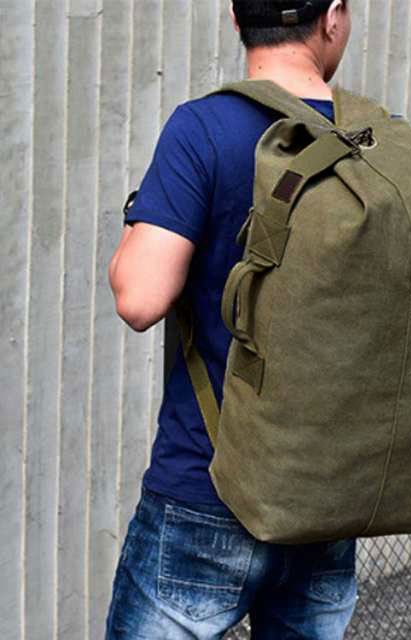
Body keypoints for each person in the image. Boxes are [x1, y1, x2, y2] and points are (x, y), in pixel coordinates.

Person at [105, 1, 357, 638]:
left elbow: (139, 298)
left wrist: (142, 219)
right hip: (327, 495)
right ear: (333, 17)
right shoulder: (372, 141)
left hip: (206, 488)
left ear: (236, 20)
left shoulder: (203, 128)